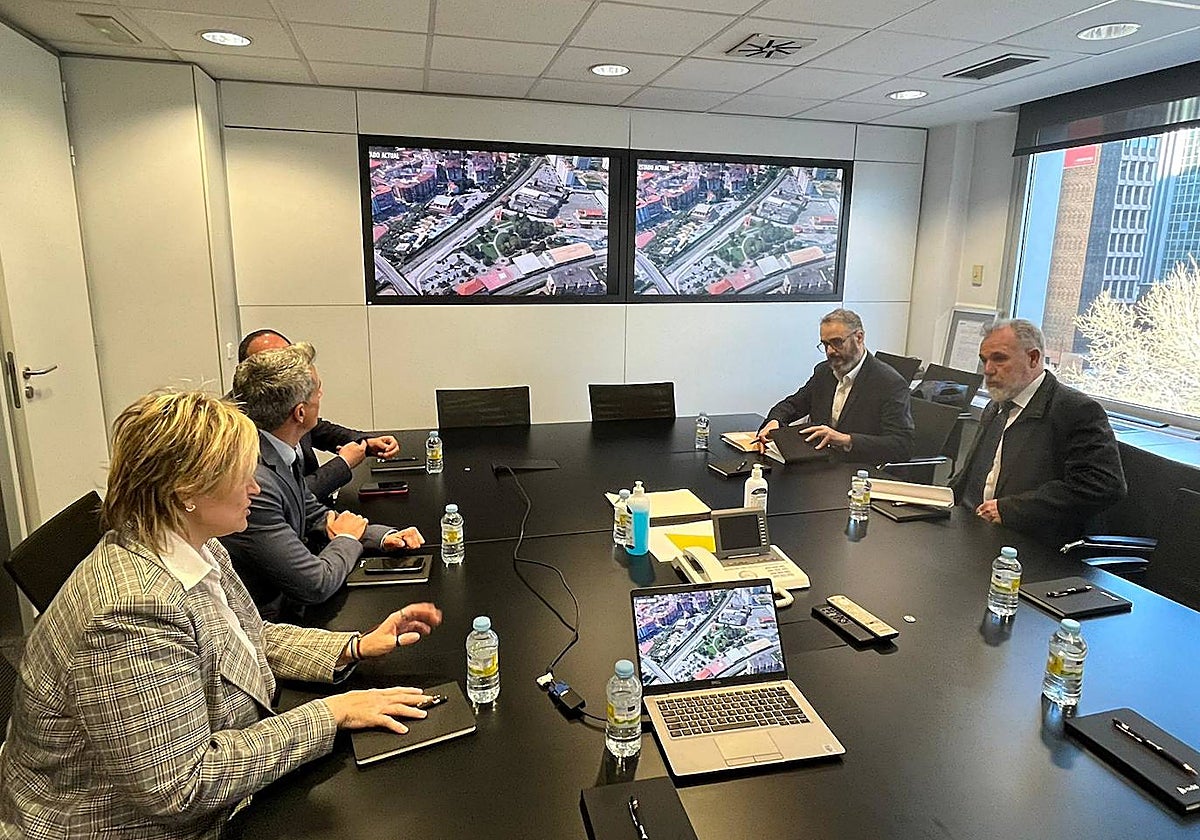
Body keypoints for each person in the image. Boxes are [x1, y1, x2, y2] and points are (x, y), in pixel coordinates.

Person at [0, 390, 443, 840]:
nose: (255, 487)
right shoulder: (129, 613)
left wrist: (354, 646)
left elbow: (251, 639)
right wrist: (331, 714)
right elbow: (181, 788)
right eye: (242, 476)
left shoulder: (194, 542)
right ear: (186, 492)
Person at [221, 343, 424, 620]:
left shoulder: (277, 448)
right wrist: (347, 538)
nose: (322, 394)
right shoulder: (254, 481)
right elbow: (314, 584)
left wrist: (383, 536)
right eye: (317, 390)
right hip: (269, 621)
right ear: (300, 413)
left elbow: (313, 513)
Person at [949, 319, 1126, 545]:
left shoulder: (1075, 410)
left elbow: (1103, 486)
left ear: (1033, 358)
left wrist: (1012, 509)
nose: (988, 370)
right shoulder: (997, 406)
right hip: (972, 530)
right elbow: (972, 477)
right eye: (984, 360)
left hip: (1029, 542)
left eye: (999, 359)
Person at [239, 328, 400, 501]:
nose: (288, 368)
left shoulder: (290, 411)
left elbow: (318, 430)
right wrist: (343, 464)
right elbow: (290, 498)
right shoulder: (235, 431)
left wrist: (364, 442)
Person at [755, 308, 915, 465]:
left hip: (858, 469)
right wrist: (774, 421)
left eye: (837, 342)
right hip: (819, 461)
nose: (830, 351)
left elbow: (901, 446)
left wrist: (845, 439)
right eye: (825, 344)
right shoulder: (824, 371)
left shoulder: (889, 383)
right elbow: (792, 405)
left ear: (859, 337)